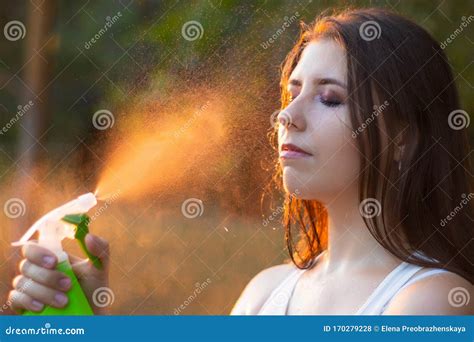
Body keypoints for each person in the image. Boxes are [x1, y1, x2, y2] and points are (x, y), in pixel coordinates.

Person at [9, 8, 473, 315]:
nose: (287, 117)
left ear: (403, 139)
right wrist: (86, 317)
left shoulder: (429, 301)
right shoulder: (265, 294)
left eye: (329, 98)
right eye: (292, 93)